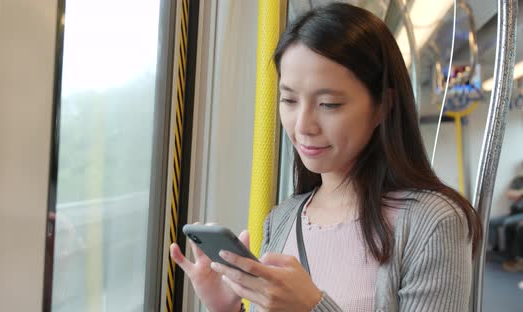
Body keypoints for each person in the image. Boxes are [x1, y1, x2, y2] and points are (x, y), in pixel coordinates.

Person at [170, 3, 482, 312]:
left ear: (383, 106)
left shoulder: (432, 223)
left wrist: (313, 307)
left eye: (329, 104)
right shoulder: (281, 220)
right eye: (289, 100)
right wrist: (227, 309)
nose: (303, 125)